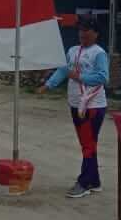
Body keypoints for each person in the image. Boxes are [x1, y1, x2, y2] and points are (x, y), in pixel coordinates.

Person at [40, 14, 110, 199]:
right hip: (75, 103)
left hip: (92, 105)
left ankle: (84, 182)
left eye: (87, 30)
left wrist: (79, 77)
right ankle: (94, 180)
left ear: (96, 33)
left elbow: (103, 77)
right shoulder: (72, 50)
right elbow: (64, 70)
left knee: (88, 144)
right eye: (80, 30)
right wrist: (49, 85)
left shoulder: (99, 53)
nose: (82, 33)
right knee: (87, 143)